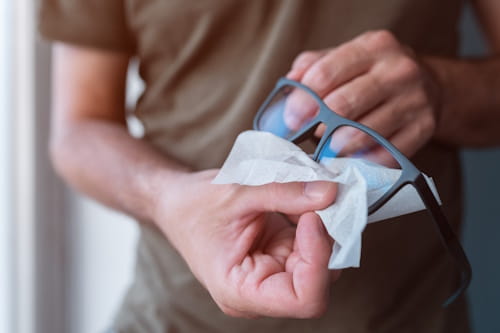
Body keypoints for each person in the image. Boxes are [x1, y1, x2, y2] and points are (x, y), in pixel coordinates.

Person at [38, 0, 500, 332]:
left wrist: (441, 90)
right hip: (175, 315)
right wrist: (166, 197)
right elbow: (79, 128)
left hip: (405, 314)